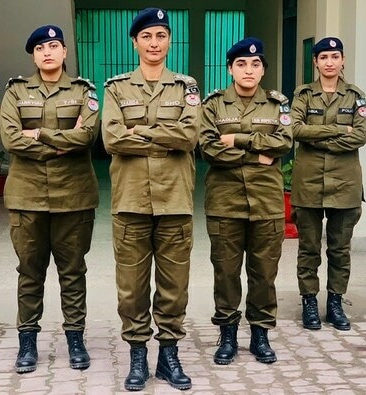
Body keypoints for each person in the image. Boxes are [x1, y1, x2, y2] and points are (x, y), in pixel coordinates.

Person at [102, 7, 200, 392]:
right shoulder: (115, 88)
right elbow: (111, 139)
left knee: (175, 284)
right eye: (147, 36)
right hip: (130, 202)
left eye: (161, 36)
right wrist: (164, 134)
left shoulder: (187, 87)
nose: (154, 43)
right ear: (135, 42)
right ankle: (138, 356)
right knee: (131, 286)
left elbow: (190, 136)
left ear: (169, 40)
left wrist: (139, 131)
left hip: (175, 200)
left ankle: (169, 356)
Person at [0, 25, 100, 373]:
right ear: (33, 54)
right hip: (27, 198)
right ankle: (27, 342)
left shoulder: (84, 91)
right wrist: (61, 145)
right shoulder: (15, 92)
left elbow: (86, 136)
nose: (48, 52)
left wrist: (41, 135)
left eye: (54, 45)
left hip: (74, 197)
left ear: (64, 52)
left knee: (72, 272)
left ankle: (75, 339)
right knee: (30, 272)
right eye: (41, 47)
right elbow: (11, 140)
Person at [199, 37, 292, 365]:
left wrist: (237, 139)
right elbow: (208, 148)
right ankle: (227, 334)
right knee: (225, 272)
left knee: (264, 273)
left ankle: (261, 334)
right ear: (230, 69)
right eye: (241, 64)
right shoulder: (212, 105)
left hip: (266, 203)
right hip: (225, 203)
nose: (248, 70)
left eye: (255, 64)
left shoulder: (278, 105)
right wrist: (258, 154)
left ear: (263, 70)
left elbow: (285, 142)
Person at [290, 37, 366, 332]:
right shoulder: (303, 94)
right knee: (308, 248)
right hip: (308, 182)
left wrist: (317, 137)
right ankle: (309, 302)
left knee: (339, 249)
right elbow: (296, 129)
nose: (330, 62)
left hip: (345, 183)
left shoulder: (355, 96)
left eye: (335, 56)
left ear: (343, 60)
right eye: (324, 57)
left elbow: (360, 136)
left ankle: (335, 302)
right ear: (316, 62)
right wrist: (338, 130)